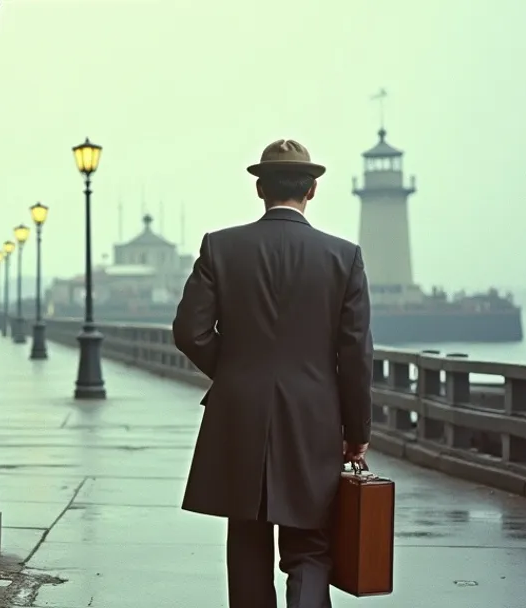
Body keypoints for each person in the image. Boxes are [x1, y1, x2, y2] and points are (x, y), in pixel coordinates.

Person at [172, 139, 373, 608]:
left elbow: (189, 331)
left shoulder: (220, 246)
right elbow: (356, 354)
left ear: (260, 188)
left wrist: (239, 372)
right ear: (313, 190)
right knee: (309, 544)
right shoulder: (343, 256)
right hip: (314, 416)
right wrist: (357, 431)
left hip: (239, 411)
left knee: (246, 537)